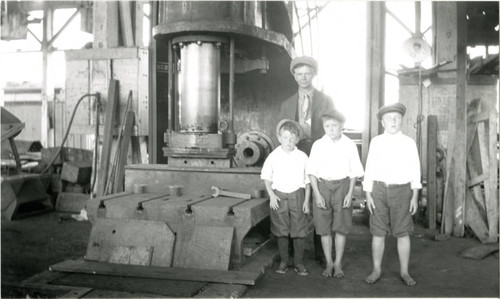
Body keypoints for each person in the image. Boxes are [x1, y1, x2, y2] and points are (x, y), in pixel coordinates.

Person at [278, 55, 334, 265]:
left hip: (318, 150)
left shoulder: (326, 100)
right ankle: (294, 249)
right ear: (294, 76)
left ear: (313, 75)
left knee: (321, 200)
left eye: (307, 74)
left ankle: (321, 252)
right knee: (295, 196)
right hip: (295, 151)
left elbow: (332, 130)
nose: (303, 78)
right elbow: (281, 133)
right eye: (299, 74)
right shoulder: (286, 104)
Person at [363, 103, 421, 286]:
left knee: (403, 232)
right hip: (379, 191)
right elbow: (369, 168)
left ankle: (404, 272)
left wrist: (414, 196)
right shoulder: (376, 142)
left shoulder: (409, 143)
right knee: (378, 232)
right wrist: (368, 194)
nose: (393, 121)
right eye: (389, 118)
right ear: (382, 122)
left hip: (402, 191)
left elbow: (415, 171)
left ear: (402, 120)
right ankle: (376, 270)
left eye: (397, 117)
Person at [307, 109, 364, 277]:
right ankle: (329, 263)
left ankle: (338, 263)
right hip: (323, 187)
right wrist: (317, 194)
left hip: (343, 187)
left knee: (340, 228)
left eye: (334, 126)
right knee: (324, 228)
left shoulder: (349, 145)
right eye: (327, 126)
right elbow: (311, 172)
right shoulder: (318, 145)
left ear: (342, 126)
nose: (330, 129)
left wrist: (349, 194)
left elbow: (354, 172)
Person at [261, 119, 311, 276]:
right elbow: (267, 178)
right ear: (279, 137)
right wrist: (272, 196)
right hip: (279, 196)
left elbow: (308, 181)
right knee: (281, 229)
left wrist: (306, 201)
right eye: (285, 137)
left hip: (298, 194)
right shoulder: (273, 156)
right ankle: (283, 261)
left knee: (299, 230)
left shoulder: (302, 156)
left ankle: (298, 262)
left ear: (297, 139)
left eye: (292, 138)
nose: (289, 141)